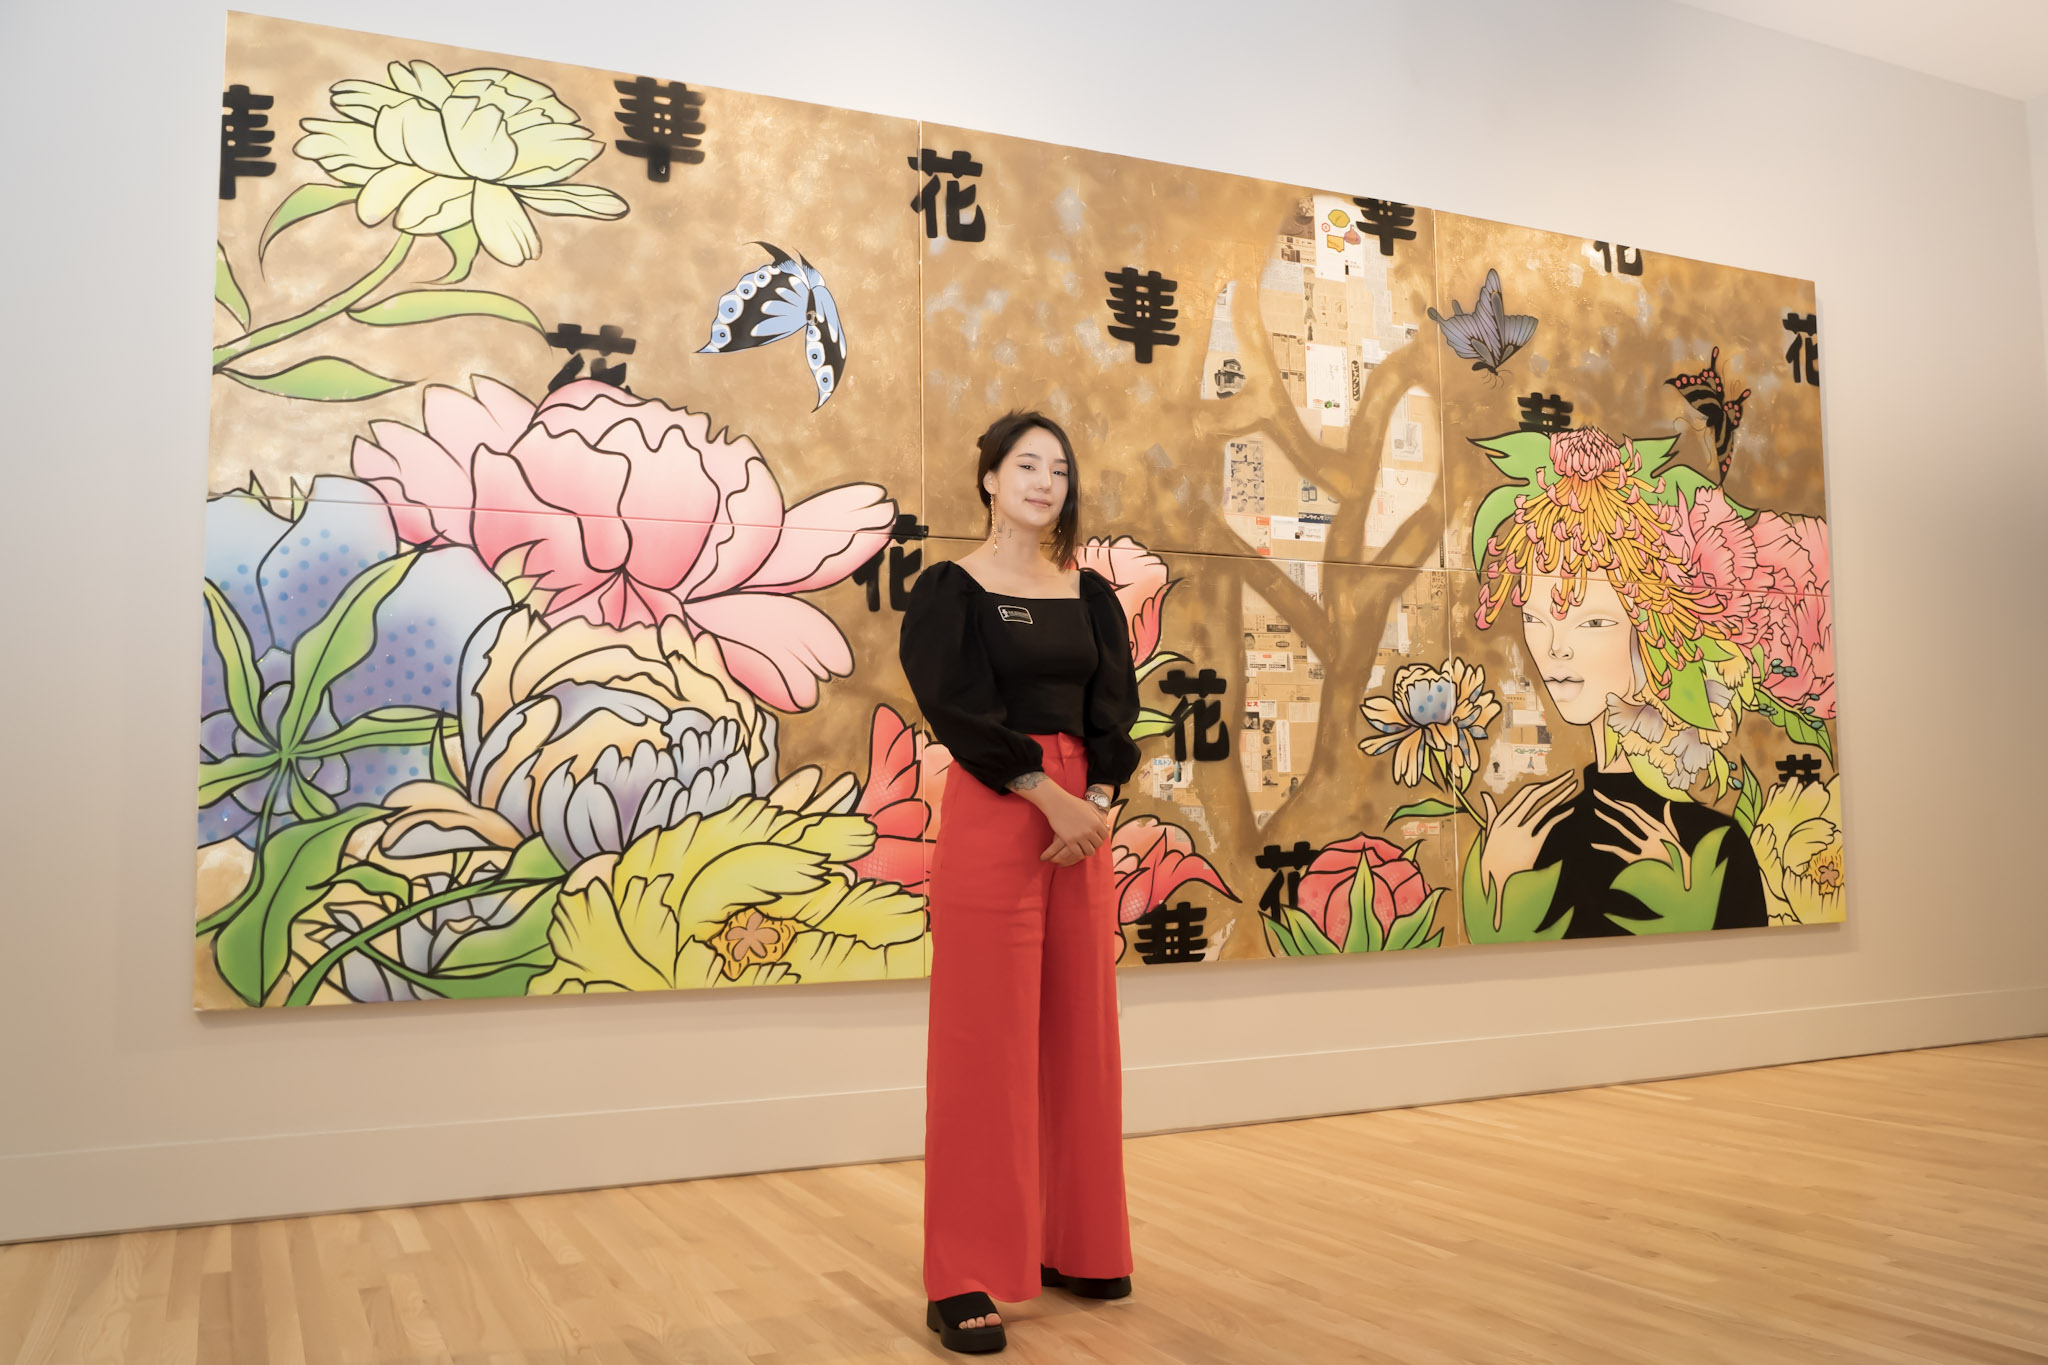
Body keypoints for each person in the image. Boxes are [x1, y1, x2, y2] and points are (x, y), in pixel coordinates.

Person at [898, 410, 1143, 1354]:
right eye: (1026, 465)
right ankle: (962, 1275)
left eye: (1059, 468)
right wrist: (1048, 794)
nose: (1045, 481)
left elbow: (1112, 705)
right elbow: (957, 709)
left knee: (1081, 1033)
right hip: (1005, 810)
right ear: (991, 479)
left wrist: (1104, 798)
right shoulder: (951, 590)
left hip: (1084, 821)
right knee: (984, 1045)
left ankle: (1079, 1243)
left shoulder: (1089, 593)